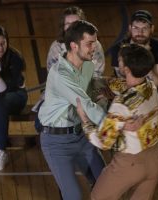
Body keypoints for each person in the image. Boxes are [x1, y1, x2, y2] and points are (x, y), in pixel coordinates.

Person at [76, 43, 158, 200]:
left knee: (99, 197)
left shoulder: (121, 104)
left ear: (127, 69)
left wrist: (84, 119)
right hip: (155, 159)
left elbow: (103, 142)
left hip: (129, 164)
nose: (118, 62)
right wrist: (98, 84)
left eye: (120, 60)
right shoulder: (151, 87)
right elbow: (120, 85)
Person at [38, 20, 106, 200]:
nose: (95, 47)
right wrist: (114, 125)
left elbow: (91, 93)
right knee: (73, 196)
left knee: (106, 185)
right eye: (90, 43)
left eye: (95, 42)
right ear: (74, 46)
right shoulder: (60, 73)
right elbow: (85, 104)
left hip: (81, 135)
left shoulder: (89, 65)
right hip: (57, 142)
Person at [110, 9, 158, 146]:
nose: (140, 33)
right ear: (130, 28)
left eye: (144, 28)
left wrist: (144, 56)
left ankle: (157, 141)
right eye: (136, 28)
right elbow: (122, 78)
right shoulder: (118, 48)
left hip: (150, 89)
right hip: (124, 89)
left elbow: (156, 82)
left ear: (152, 29)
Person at [0, 25, 27, 171]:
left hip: (16, 95)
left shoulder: (15, 58)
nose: (0, 48)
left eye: (3, 43)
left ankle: (1, 150)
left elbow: (1, 90)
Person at [47, 6, 105, 77]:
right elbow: (52, 72)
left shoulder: (94, 45)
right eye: (68, 24)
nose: (72, 27)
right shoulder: (56, 46)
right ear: (63, 26)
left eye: (75, 23)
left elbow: (97, 71)